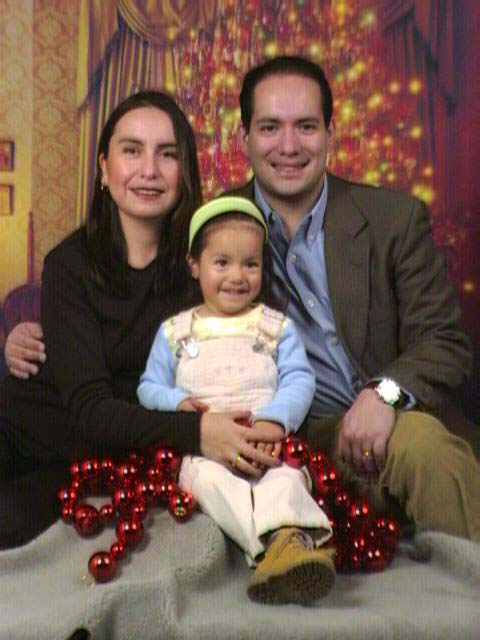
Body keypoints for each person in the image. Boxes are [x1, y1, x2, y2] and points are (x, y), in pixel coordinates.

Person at [5, 56, 480, 541]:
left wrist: (384, 394)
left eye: (306, 126)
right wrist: (36, 334)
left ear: (330, 135)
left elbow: (443, 340)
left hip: (383, 422)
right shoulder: (216, 231)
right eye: (270, 127)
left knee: (423, 447)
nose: (288, 146)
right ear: (245, 139)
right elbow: (137, 346)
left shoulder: (390, 219)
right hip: (275, 433)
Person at [0, 91, 282, 549]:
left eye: (167, 154)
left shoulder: (212, 265)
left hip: (102, 458)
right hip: (30, 431)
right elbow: (90, 410)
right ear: (104, 168)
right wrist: (197, 432)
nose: (149, 170)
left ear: (184, 171)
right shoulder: (69, 265)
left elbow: (254, 357)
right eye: (131, 150)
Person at [137, 195, 335, 604]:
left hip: (266, 444)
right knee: (208, 483)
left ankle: (284, 544)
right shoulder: (176, 331)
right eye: (222, 263)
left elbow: (299, 379)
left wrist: (275, 419)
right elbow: (148, 386)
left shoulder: (274, 326)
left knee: (286, 480)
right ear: (195, 265)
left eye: (250, 264)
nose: (237, 276)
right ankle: (275, 551)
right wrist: (175, 401)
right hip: (207, 451)